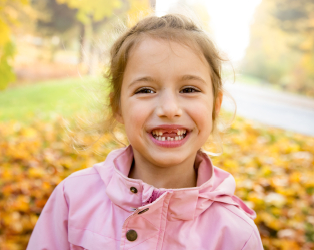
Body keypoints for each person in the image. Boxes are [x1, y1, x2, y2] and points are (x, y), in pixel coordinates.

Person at [27, 14, 264, 250]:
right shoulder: (74, 199)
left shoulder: (236, 236)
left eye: (189, 89)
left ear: (215, 105)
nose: (169, 109)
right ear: (118, 107)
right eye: (146, 90)